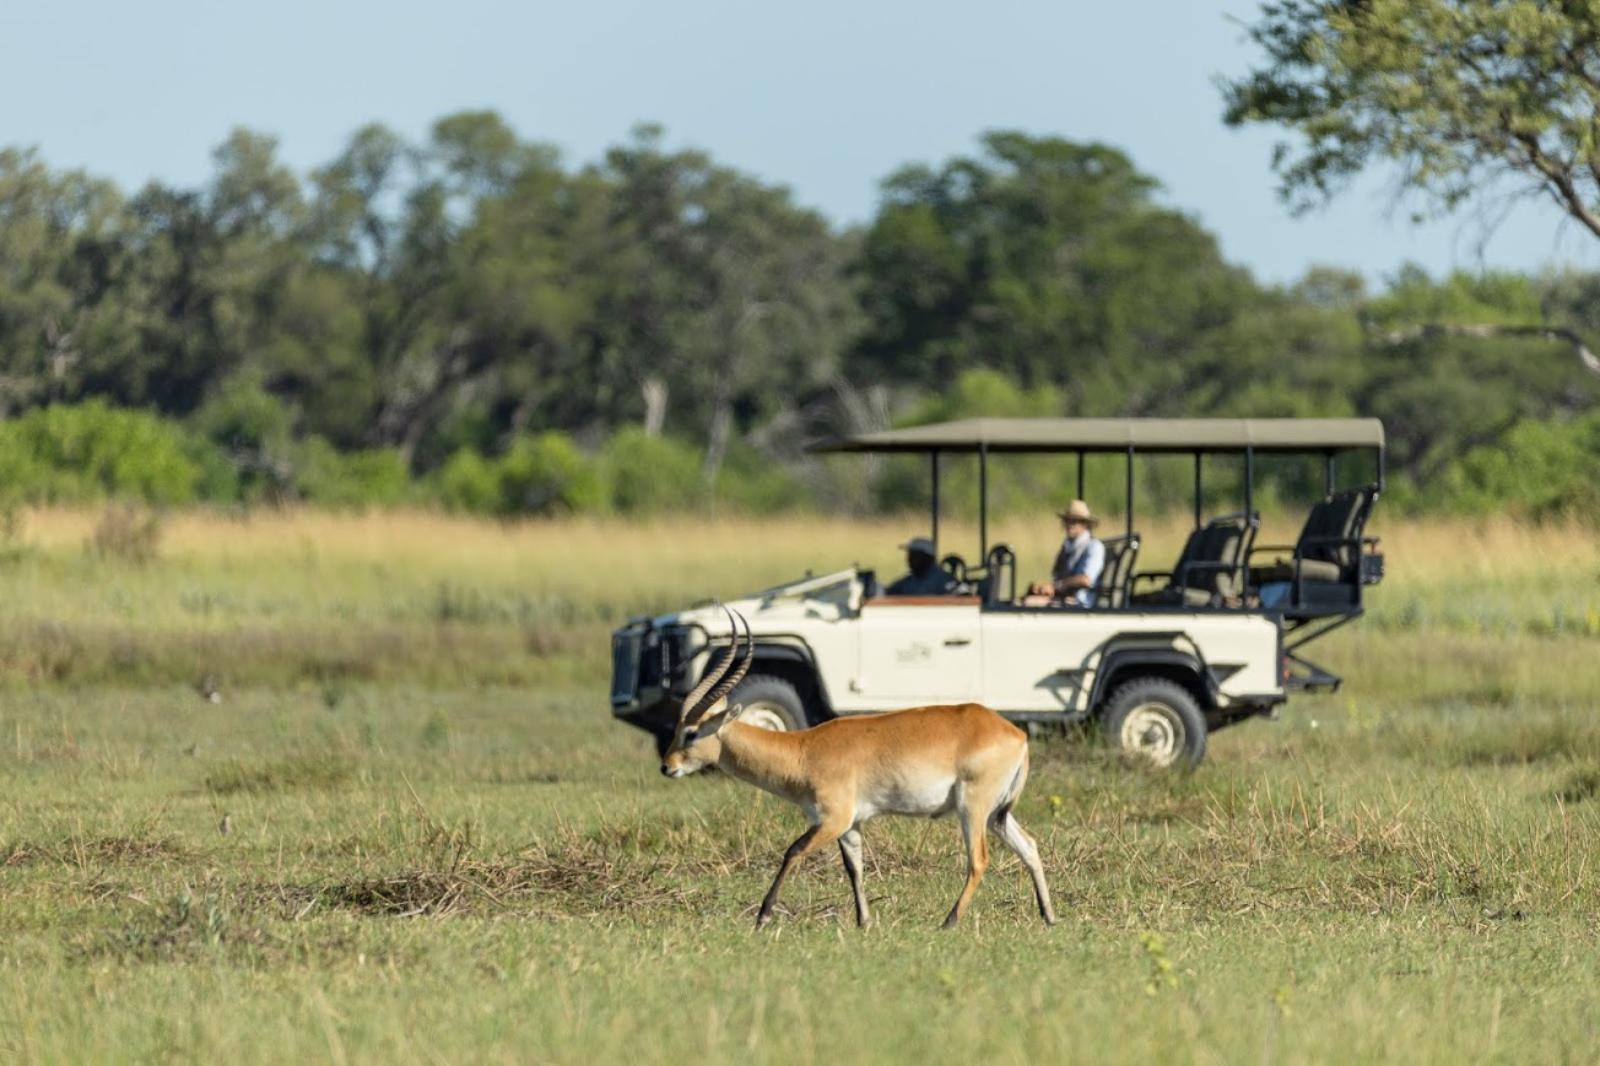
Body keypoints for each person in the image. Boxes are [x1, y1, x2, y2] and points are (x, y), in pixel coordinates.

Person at [1027, 499, 1105, 607]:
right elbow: (1057, 574)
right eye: (1067, 520)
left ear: (1085, 524)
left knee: (1029, 604)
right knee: (1021, 600)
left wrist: (1056, 586)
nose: (1070, 525)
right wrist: (1043, 587)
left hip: (1080, 601)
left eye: (1075, 521)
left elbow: (1086, 580)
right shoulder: (1068, 546)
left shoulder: (1094, 547)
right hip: (1063, 597)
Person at [885, 536, 957, 596]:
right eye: (910, 555)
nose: (909, 559)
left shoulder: (945, 580)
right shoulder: (908, 581)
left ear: (928, 558)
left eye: (915, 556)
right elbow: (887, 593)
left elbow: (963, 599)